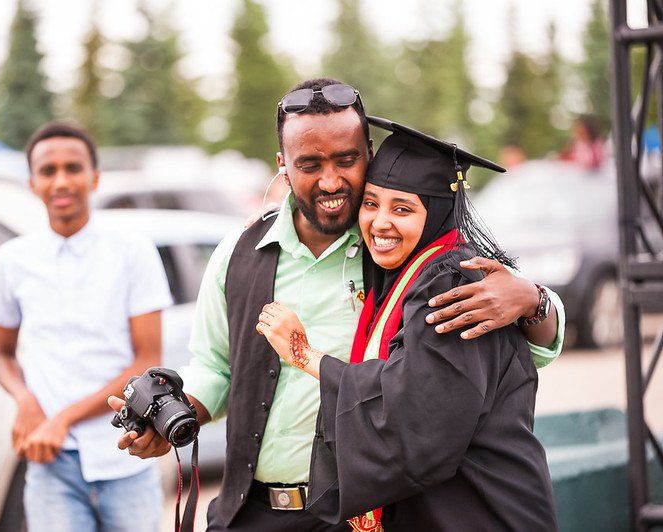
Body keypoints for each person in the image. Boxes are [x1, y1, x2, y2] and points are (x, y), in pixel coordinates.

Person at [110, 78, 564, 531]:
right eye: (309, 164)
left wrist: (534, 299)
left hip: (358, 515)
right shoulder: (239, 253)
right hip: (252, 508)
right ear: (283, 166)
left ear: (369, 153)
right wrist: (171, 419)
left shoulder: (398, 253)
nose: (331, 180)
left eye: (346, 160)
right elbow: (215, 367)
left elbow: (514, 355)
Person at [257, 118, 558, 531]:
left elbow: (413, 413)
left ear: (435, 212)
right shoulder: (404, 274)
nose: (380, 222)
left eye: (402, 208)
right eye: (371, 203)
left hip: (481, 513)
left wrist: (305, 356)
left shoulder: (457, 283)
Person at [0, 122, 172, 531]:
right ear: (32, 183)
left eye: (73, 167)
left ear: (95, 177)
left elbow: (146, 361)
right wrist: (24, 401)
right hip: (50, 466)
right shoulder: (12, 260)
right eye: (48, 171)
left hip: (124, 455)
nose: (62, 180)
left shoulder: (132, 253)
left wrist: (63, 418)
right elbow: (2, 356)